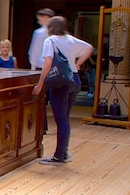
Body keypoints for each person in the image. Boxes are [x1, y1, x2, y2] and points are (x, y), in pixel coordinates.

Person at [32, 16, 94, 165]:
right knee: (65, 119)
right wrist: (78, 63)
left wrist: (40, 84)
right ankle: (63, 152)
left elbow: (47, 63)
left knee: (61, 120)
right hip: (74, 80)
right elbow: (89, 48)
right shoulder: (70, 39)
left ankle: (59, 156)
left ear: (51, 27)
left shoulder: (50, 41)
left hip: (60, 82)